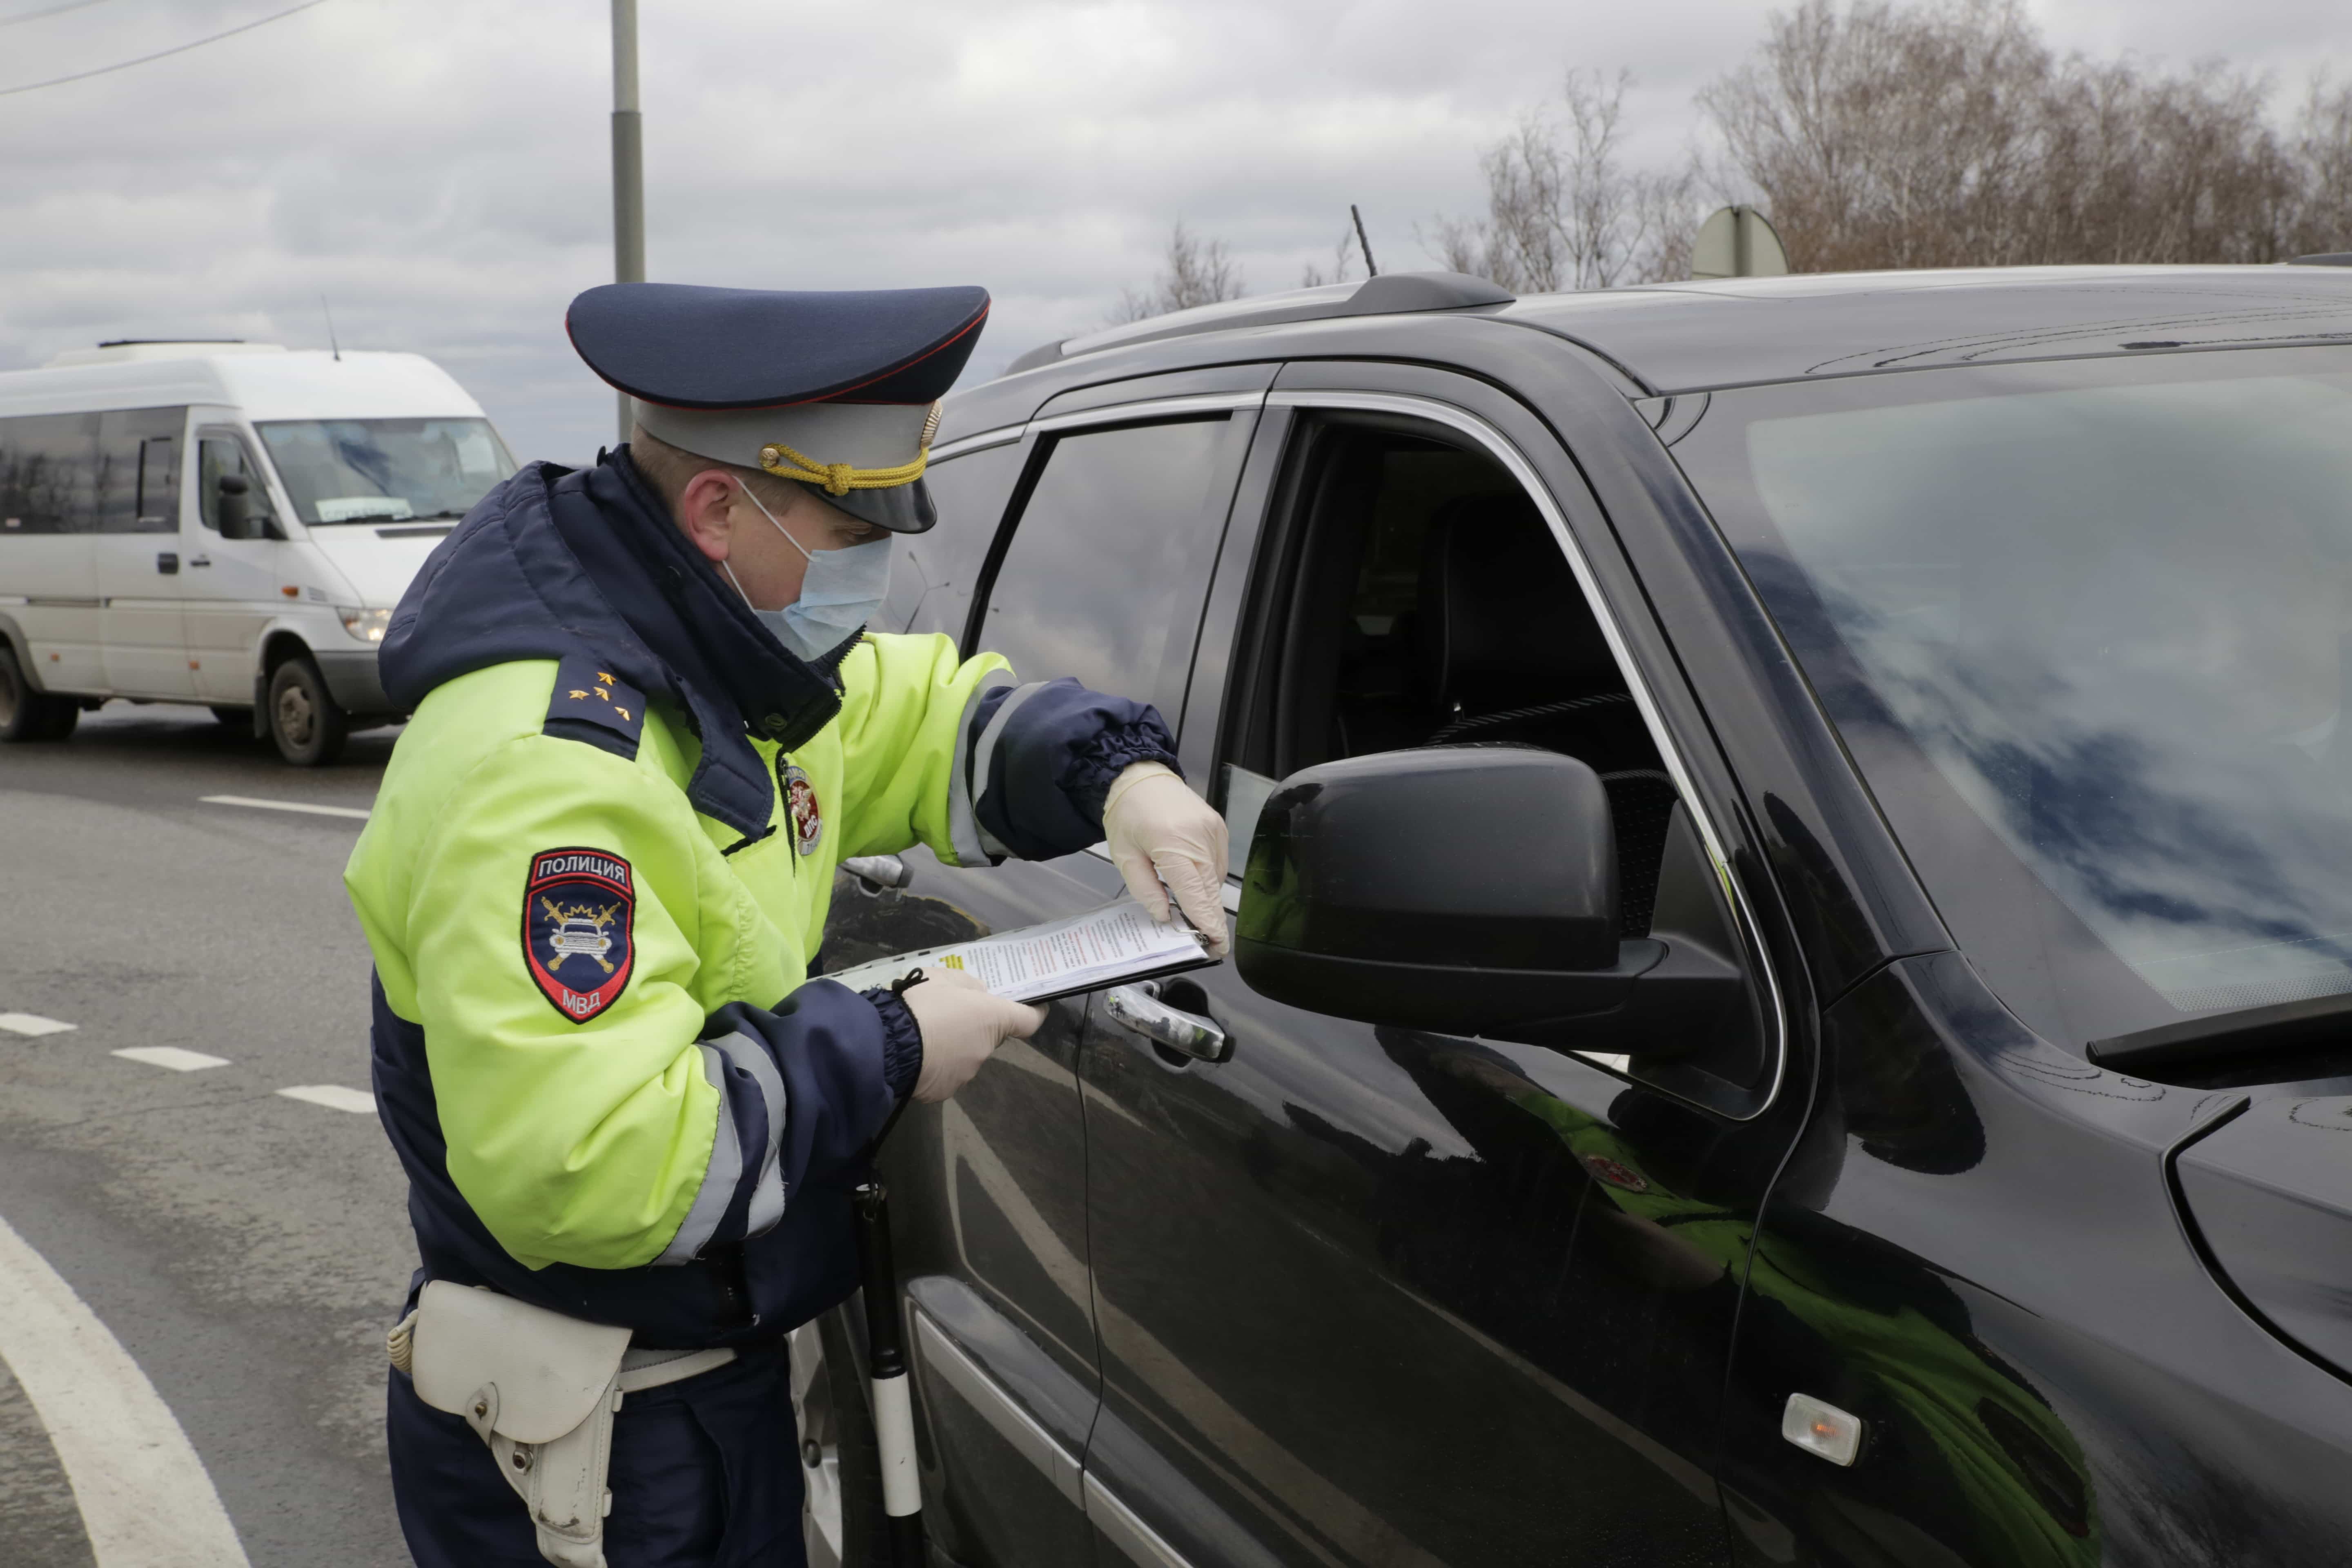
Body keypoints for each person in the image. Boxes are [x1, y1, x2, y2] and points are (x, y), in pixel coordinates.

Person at [342, 281, 1229, 1568]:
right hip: (596, 1438)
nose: (880, 567)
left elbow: (919, 718)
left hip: (693, 1381)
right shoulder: (552, 770)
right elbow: (593, 1163)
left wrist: (1114, 773)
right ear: (718, 511)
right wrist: (890, 1046)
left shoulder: (724, 659)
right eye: (852, 529)